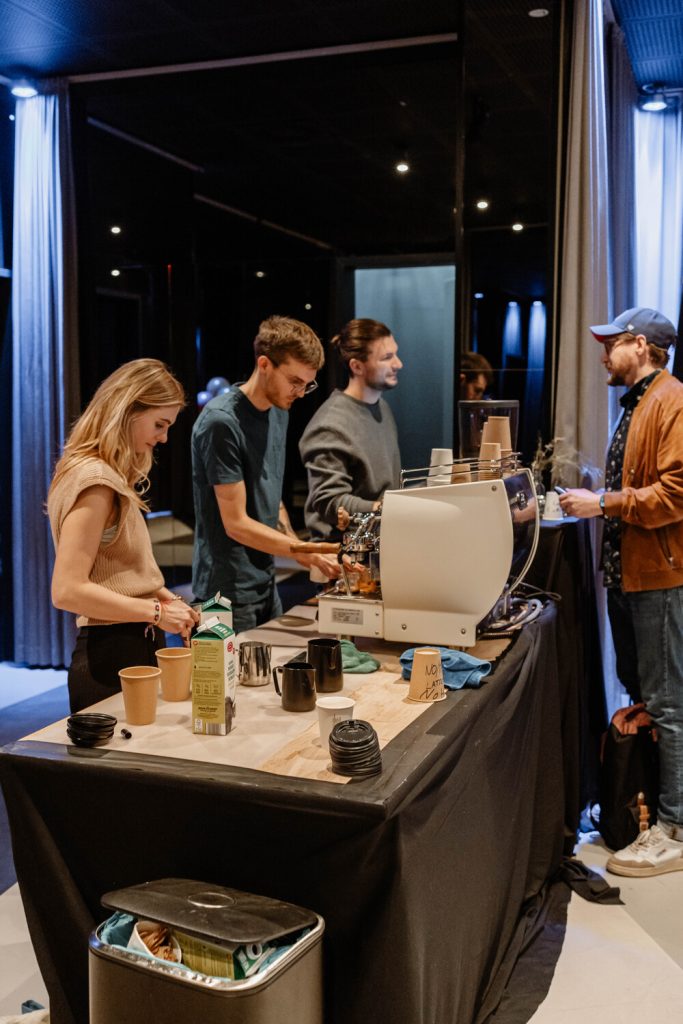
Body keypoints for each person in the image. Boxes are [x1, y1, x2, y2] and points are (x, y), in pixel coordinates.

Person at [559, 307, 683, 878]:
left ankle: (674, 829)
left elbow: (676, 494)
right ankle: (644, 810)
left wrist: (603, 503)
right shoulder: (639, 404)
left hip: (660, 579)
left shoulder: (671, 400)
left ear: (640, 345)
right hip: (630, 577)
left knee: (668, 704)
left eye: (612, 343)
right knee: (646, 699)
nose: (604, 353)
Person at [48, 359, 199, 714]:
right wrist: (157, 611)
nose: (163, 438)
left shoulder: (105, 475)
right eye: (159, 424)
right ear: (127, 409)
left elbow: (118, 574)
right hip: (110, 656)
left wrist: (167, 600)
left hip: (130, 645)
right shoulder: (96, 481)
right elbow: (67, 590)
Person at [191, 315, 341, 633]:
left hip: (265, 582)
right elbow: (236, 524)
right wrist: (305, 552)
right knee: (225, 670)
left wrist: (303, 550)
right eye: (294, 381)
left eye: (308, 384)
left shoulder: (278, 412)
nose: (301, 393)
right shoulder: (222, 422)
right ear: (264, 364)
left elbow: (271, 498)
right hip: (223, 592)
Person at [298, 318, 402, 540]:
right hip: (341, 552)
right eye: (387, 357)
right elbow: (329, 501)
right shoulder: (331, 424)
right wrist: (391, 510)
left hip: (378, 541)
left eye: (395, 354)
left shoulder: (382, 407)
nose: (398, 364)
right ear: (356, 366)